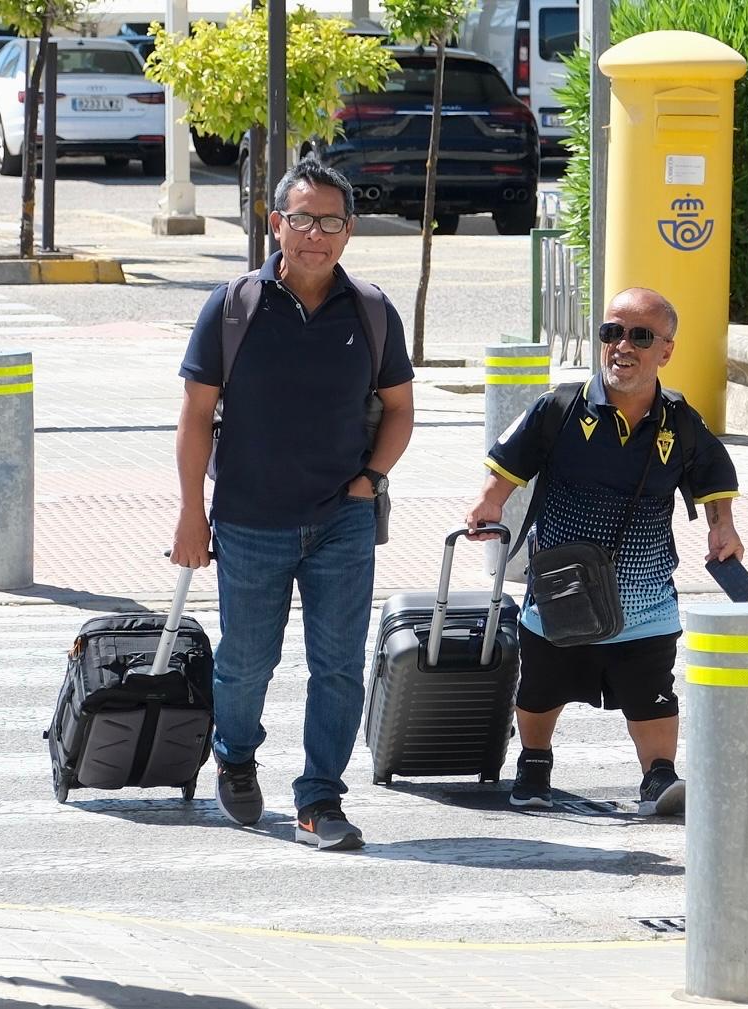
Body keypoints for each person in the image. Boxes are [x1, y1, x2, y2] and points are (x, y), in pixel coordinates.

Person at [171, 157, 415, 851]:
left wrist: (370, 480)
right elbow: (195, 417)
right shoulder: (232, 306)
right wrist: (192, 512)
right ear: (275, 223)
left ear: (349, 230)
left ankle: (319, 798)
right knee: (246, 660)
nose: (316, 234)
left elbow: (398, 409)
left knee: (338, 663)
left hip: (341, 517)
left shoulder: (370, 310)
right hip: (248, 518)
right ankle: (237, 753)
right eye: (301, 219)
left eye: (330, 221)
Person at [464, 287, 743, 816]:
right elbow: (510, 459)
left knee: (652, 687)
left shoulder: (680, 421)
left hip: (645, 592)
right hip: (563, 585)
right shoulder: (561, 407)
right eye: (612, 332)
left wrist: (722, 527)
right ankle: (535, 762)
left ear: (666, 350)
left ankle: (658, 776)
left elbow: (713, 474)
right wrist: (488, 502)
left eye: (640, 336)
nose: (622, 346)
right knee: (543, 682)